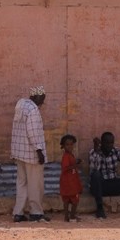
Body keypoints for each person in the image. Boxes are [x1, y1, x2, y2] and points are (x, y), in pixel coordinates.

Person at [11, 85, 50, 222]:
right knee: (35, 184)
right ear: (37, 97)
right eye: (42, 98)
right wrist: (39, 151)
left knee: (21, 183)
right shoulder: (33, 110)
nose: (43, 102)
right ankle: (36, 212)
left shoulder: (21, 106)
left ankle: (18, 213)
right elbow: (33, 132)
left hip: (19, 152)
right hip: (31, 153)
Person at [59, 134, 83, 222]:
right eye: (67, 144)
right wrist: (75, 165)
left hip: (69, 182)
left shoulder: (70, 155)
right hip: (69, 183)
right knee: (74, 201)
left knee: (67, 200)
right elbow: (65, 168)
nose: (70, 146)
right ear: (63, 146)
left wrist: (75, 163)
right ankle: (71, 216)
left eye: (71, 144)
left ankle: (67, 217)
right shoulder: (66, 156)